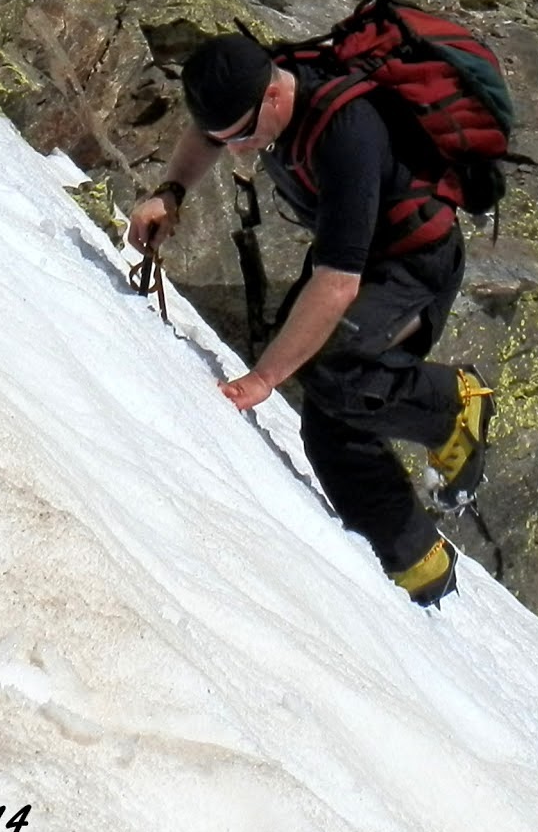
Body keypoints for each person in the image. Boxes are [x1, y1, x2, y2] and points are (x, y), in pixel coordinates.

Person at [128, 33, 495, 608]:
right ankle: (418, 562)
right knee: (325, 428)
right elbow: (208, 131)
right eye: (231, 140)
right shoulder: (257, 96)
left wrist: (262, 380)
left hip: (412, 263)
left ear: (275, 96)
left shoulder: (347, 136)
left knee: (335, 371)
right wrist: (170, 192)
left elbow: (337, 284)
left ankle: (451, 404)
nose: (241, 150)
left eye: (245, 135)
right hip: (359, 252)